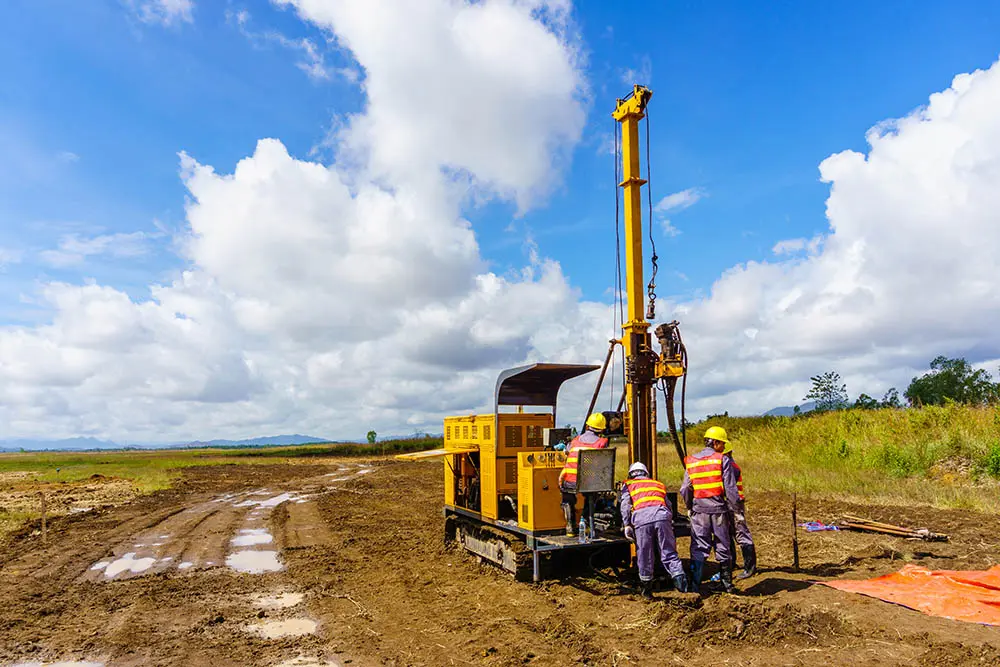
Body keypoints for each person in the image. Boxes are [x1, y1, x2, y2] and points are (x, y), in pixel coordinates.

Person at [679, 425, 741, 594]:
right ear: (715, 443)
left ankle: (695, 585)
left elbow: (685, 488)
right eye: (721, 444)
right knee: (723, 545)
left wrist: (690, 506)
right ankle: (727, 584)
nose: (723, 448)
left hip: (699, 511)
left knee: (699, 546)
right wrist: (736, 510)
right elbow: (731, 489)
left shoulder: (691, 461)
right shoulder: (723, 460)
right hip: (719, 510)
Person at [620, 461, 687, 597]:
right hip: (662, 516)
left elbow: (625, 505)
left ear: (631, 474)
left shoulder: (629, 484)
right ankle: (682, 586)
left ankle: (647, 590)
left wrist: (626, 524)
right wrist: (669, 521)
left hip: (642, 519)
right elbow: (668, 504)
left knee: (644, 553)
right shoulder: (658, 484)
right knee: (668, 551)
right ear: (646, 473)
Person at [558, 413, 609, 536]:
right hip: (589, 482)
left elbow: (566, 452)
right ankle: (585, 522)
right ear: (602, 429)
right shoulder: (602, 442)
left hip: (569, 480)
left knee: (567, 497)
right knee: (593, 494)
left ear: (587, 426)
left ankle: (570, 526)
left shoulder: (575, 441)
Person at [724, 439, 757, 579]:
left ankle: (749, 568)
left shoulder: (730, 466)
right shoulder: (728, 464)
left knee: (741, 533)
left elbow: (729, 489)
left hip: (734, 505)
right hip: (728, 504)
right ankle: (732, 564)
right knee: (727, 533)